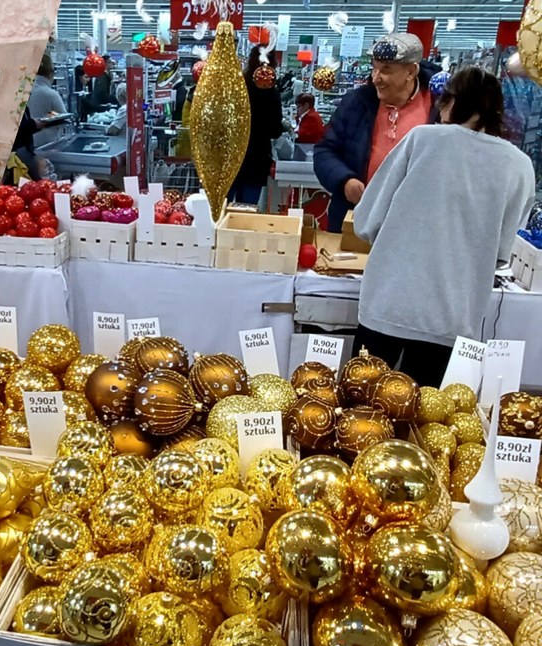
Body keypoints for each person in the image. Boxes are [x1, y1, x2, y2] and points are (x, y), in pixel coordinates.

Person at [351, 67, 534, 386]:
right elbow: (502, 252)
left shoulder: (422, 139)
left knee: (360, 411)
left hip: (388, 302)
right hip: (453, 316)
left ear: (450, 101)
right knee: (424, 423)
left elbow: (367, 220)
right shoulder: (518, 165)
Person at [314, 33, 440, 232]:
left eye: (386, 70)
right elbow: (324, 151)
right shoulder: (356, 103)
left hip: (416, 226)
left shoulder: (439, 107)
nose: (376, 78)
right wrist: (345, 181)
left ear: (411, 71)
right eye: (375, 67)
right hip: (355, 218)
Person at [229, 47, 285, 206]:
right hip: (257, 157)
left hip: (232, 155)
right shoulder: (271, 93)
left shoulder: (237, 86)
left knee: (221, 208)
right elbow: (275, 131)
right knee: (247, 209)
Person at [27, 52, 68, 147]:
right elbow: (64, 119)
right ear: (51, 73)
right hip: (47, 145)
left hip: (26, 145)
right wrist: (50, 115)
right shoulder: (51, 94)